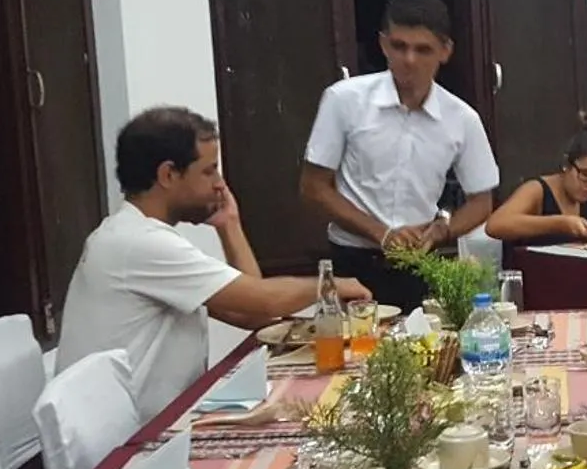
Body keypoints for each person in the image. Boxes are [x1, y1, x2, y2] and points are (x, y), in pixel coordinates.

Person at [59, 108, 371, 419]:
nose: (220, 184)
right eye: (209, 171)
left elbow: (250, 314)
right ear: (168, 174)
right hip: (139, 438)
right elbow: (263, 301)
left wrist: (229, 224)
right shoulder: (140, 243)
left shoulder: (133, 236)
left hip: (162, 418)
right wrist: (333, 284)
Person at [300, 0, 500, 312]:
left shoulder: (462, 118)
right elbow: (313, 187)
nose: (409, 60)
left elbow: (482, 201)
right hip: (352, 260)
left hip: (419, 264)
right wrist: (381, 233)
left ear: (445, 51)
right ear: (383, 44)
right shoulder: (344, 100)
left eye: (423, 50)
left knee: (424, 353)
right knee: (349, 355)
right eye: (399, 46)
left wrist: (442, 230)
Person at [483, 112, 587, 247]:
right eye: (585, 175)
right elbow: (496, 225)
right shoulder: (537, 190)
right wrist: (561, 223)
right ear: (567, 164)